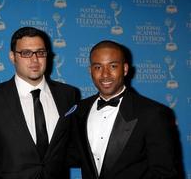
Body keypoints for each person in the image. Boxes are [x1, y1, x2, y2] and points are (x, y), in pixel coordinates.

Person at [0, 26, 80, 179]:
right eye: (26, 53)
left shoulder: (68, 94)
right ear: (12, 57)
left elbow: (73, 145)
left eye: (40, 53)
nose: (35, 60)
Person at [72, 40, 178, 178]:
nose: (105, 74)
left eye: (113, 66)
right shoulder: (79, 109)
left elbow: (164, 174)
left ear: (125, 69)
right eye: (98, 67)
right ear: (90, 70)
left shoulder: (153, 113)